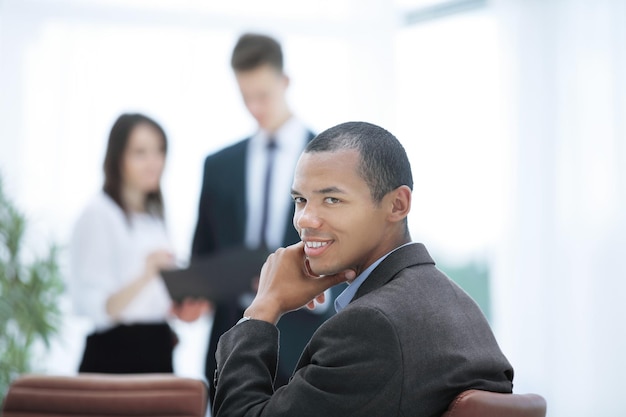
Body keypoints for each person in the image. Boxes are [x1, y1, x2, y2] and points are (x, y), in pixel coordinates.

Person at [212, 121, 514, 417]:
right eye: (300, 200)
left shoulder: (371, 326)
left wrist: (263, 308)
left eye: (332, 199)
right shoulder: (458, 306)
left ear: (397, 205)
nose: (304, 219)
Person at [191, 32, 342, 398]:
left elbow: (346, 246)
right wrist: (194, 290)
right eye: (246, 98)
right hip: (230, 346)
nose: (255, 107)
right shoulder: (218, 165)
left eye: (263, 96)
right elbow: (203, 253)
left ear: (285, 82)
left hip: (306, 348)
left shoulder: (335, 158)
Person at [70, 113, 207, 373]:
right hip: (115, 355)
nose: (153, 162)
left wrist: (180, 306)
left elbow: (149, 302)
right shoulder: (98, 214)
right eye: (140, 152)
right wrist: (147, 274)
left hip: (157, 349)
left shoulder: (153, 217)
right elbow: (101, 308)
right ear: (118, 157)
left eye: (159, 151)